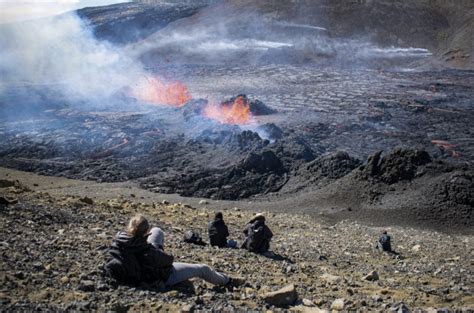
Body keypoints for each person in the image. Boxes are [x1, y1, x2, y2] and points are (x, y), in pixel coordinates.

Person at [104, 214, 243, 287]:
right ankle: (227, 281)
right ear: (145, 232)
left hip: (137, 264)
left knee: (157, 231)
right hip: (159, 276)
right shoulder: (148, 252)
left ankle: (226, 280)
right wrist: (157, 249)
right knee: (203, 269)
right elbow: (168, 260)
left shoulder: (119, 239)